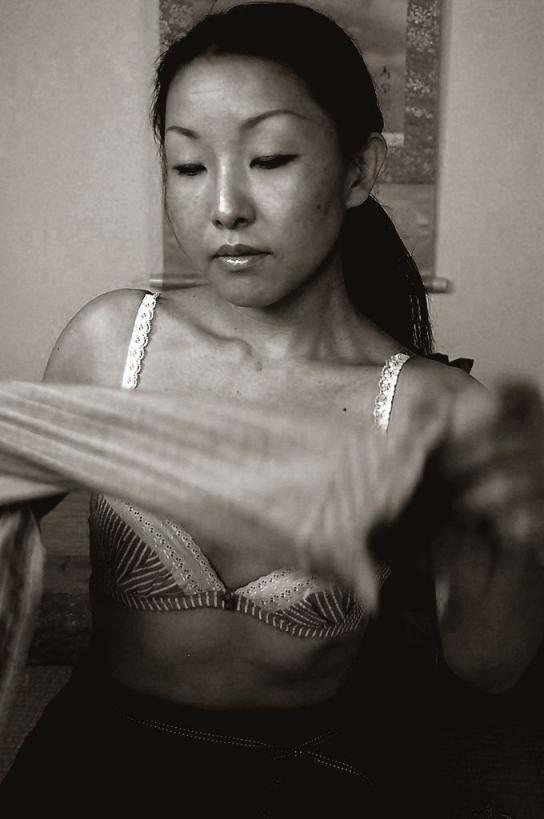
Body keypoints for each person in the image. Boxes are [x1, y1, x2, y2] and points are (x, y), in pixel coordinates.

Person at [1, 3, 544, 816]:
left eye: (271, 158)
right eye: (189, 166)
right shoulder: (113, 344)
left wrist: (508, 537)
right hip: (92, 768)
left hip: (302, 780)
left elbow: (490, 666)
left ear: (360, 170)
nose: (225, 206)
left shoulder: (432, 410)